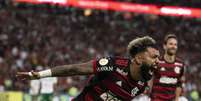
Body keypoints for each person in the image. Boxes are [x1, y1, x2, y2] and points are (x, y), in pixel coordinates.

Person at [17, 36, 160, 101]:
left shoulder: (143, 85)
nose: (158, 61)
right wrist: (39, 75)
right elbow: (74, 69)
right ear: (138, 58)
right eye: (154, 57)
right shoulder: (113, 64)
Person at [149, 34, 185, 101]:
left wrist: (176, 99)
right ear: (164, 46)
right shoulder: (157, 62)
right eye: (171, 44)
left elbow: (179, 84)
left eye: (175, 44)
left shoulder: (180, 64)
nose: (173, 46)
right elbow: (149, 79)